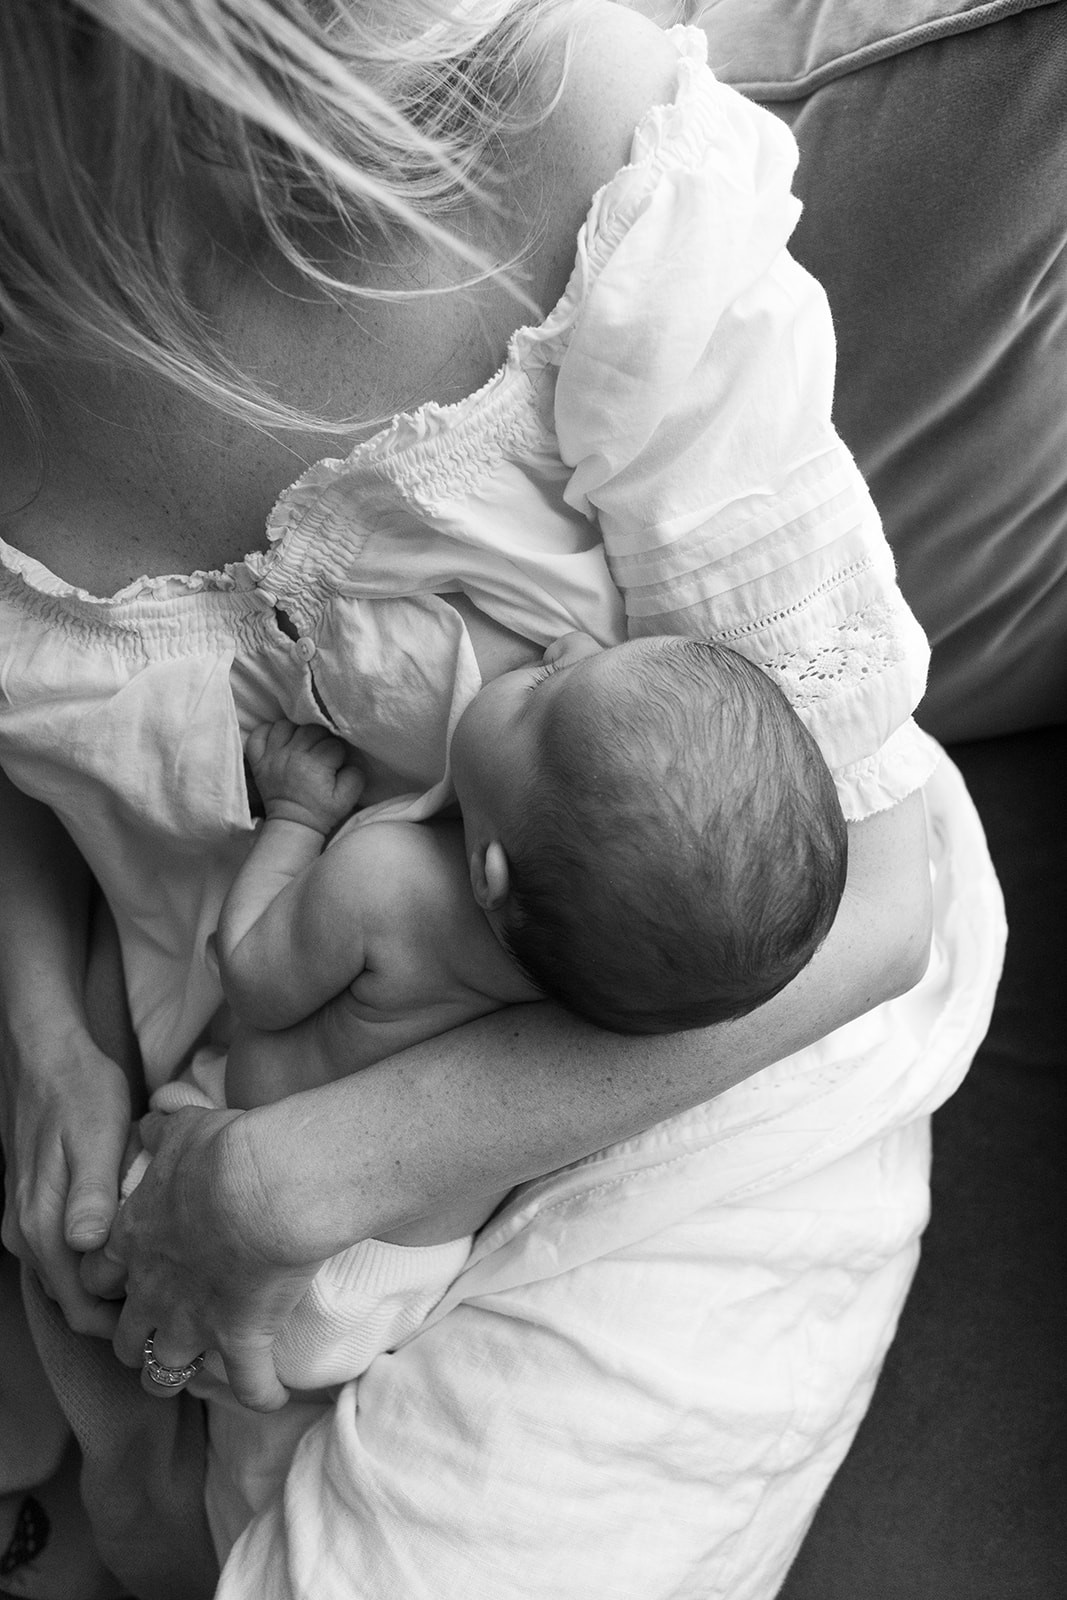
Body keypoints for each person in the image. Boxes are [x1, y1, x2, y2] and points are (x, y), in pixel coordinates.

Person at [0, 4, 1004, 1598]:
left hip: (706, 1057)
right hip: (202, 1071)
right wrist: (47, 1045)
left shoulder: (584, 145)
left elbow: (872, 898)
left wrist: (289, 1180)